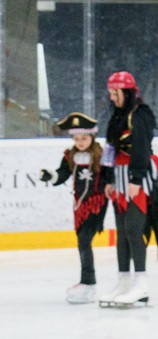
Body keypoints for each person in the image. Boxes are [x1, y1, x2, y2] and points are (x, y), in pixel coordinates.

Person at [100, 71, 158, 309]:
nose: (112, 97)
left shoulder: (140, 115)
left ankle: (141, 283)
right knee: (122, 233)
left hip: (138, 178)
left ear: (126, 92)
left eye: (115, 93)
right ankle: (123, 281)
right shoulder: (116, 116)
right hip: (119, 178)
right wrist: (107, 179)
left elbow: (141, 149)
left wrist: (136, 178)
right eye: (110, 93)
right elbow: (109, 149)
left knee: (134, 230)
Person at [39, 112, 110, 305]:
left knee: (85, 240)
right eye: (76, 139)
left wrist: (110, 187)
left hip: (97, 203)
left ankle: (89, 282)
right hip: (79, 205)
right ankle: (87, 282)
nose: (80, 142)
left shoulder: (102, 155)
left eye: (84, 138)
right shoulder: (70, 155)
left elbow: (109, 176)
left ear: (92, 137)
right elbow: (62, 174)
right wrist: (50, 176)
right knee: (82, 241)